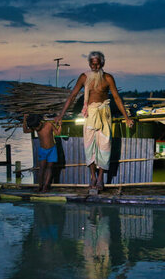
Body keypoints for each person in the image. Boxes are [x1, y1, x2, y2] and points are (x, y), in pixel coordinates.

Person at [55, 51, 133, 191]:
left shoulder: (108, 78)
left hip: (104, 114)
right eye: (92, 64)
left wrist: (126, 117)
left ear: (102, 64)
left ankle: (101, 178)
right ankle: (92, 176)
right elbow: (72, 96)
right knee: (89, 145)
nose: (94, 67)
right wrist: (60, 115)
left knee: (104, 145)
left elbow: (116, 98)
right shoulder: (84, 77)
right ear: (89, 64)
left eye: (97, 64)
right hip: (90, 114)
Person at [23, 113, 61, 192]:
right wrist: (24, 119)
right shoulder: (36, 128)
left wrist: (60, 125)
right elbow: (25, 130)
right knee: (42, 169)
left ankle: (45, 186)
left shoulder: (49, 125)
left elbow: (57, 133)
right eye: (35, 128)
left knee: (49, 168)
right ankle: (40, 186)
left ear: (40, 122)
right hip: (43, 150)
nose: (36, 129)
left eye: (37, 127)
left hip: (52, 150)